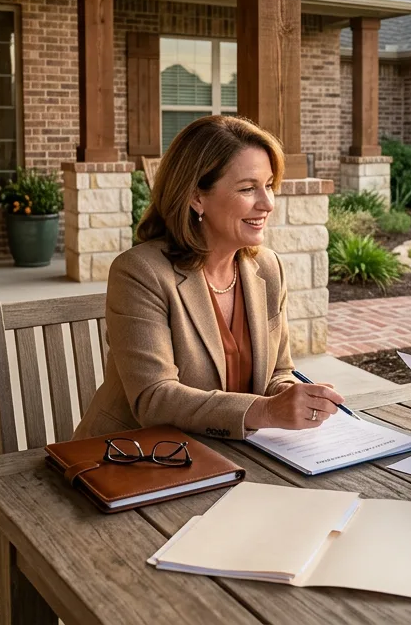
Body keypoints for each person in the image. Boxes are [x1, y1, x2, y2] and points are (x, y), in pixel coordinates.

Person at [72, 116, 344, 441]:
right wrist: (267, 411)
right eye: (248, 188)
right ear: (196, 197)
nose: (268, 203)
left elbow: (278, 372)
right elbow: (154, 399)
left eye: (269, 185)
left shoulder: (268, 269)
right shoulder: (140, 273)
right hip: (137, 459)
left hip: (230, 456)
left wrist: (296, 397)